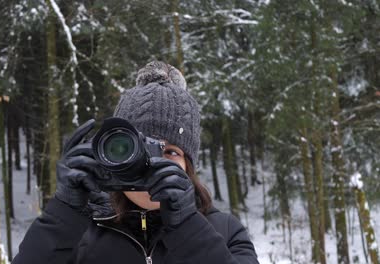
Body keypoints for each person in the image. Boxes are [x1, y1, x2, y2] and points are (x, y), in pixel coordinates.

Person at [13, 61, 259, 264]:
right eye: (140, 149)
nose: (154, 164)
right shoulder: (79, 234)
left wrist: (187, 228)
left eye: (170, 152)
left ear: (189, 166)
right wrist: (64, 213)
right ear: (112, 155)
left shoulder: (224, 231)